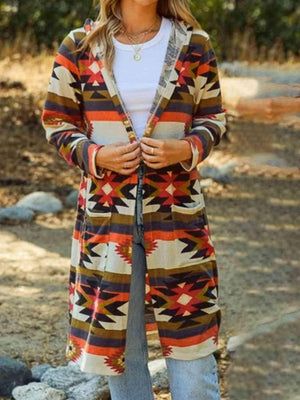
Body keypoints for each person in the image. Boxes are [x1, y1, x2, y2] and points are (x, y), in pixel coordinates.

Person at [41, 0, 226, 399]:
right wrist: (95, 156)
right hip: (107, 220)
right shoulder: (79, 45)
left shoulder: (194, 44)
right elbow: (57, 122)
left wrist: (186, 149)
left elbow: (213, 118)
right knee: (119, 347)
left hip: (178, 219)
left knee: (192, 346)